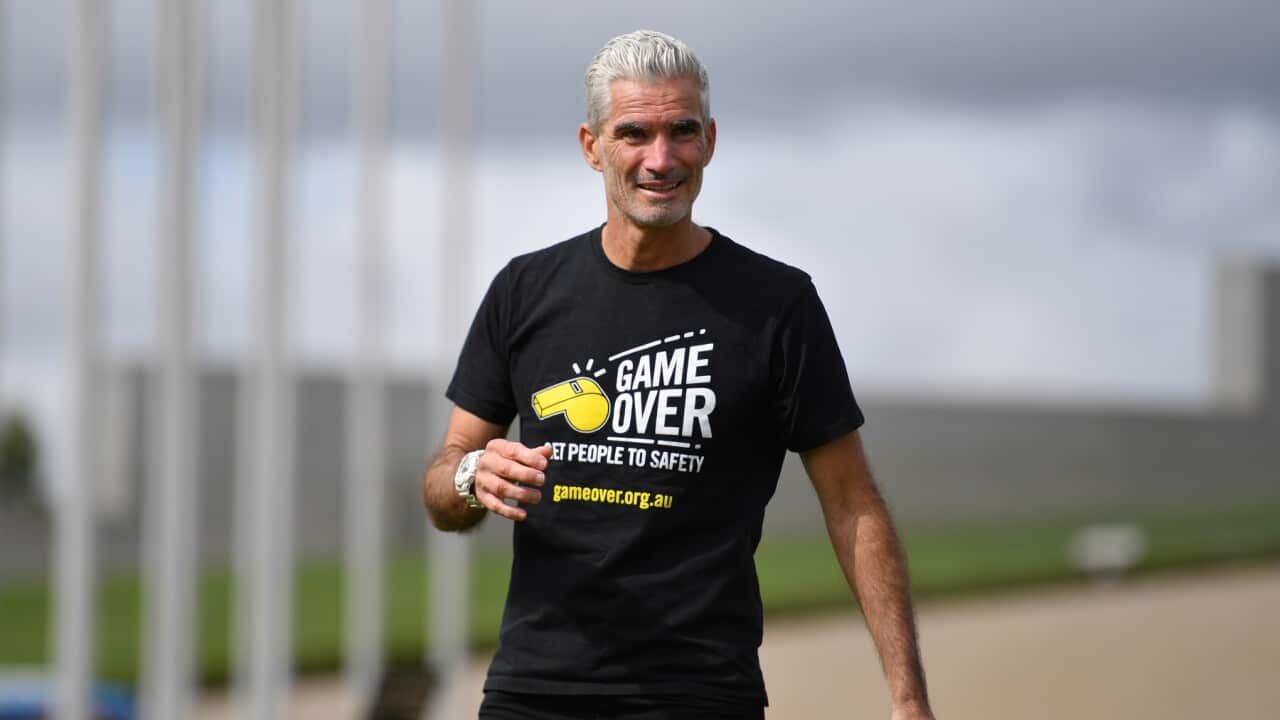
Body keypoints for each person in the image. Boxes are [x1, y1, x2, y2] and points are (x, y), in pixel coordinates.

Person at [422, 29, 934, 720]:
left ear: (711, 141)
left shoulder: (777, 306)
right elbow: (443, 483)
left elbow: (852, 503)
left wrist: (909, 699)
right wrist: (470, 475)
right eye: (634, 133)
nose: (660, 159)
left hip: (697, 696)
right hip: (534, 692)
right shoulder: (524, 291)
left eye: (681, 132)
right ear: (591, 146)